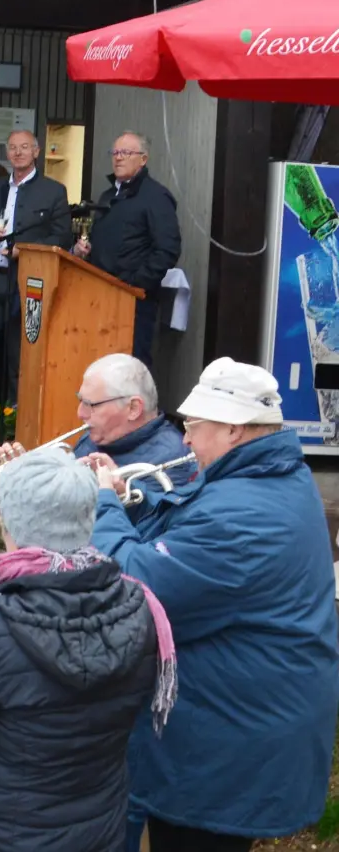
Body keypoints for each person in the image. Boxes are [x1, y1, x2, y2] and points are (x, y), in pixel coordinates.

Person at [90, 358, 339, 852]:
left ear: (231, 429)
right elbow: (192, 522)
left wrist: (104, 506)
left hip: (224, 747)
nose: (184, 439)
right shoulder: (277, 477)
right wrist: (134, 500)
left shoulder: (243, 514)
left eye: (194, 426)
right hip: (237, 721)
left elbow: (134, 585)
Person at [0, 446, 170, 852]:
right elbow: (66, 617)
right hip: (94, 829)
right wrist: (0, 582)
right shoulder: (140, 606)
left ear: (8, 523)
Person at [0, 130, 72, 403]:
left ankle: (17, 419)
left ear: (37, 152)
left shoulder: (53, 191)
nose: (18, 152)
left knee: (21, 354)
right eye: (13, 148)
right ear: (7, 153)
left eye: (25, 147)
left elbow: (62, 237)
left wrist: (24, 250)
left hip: (30, 281)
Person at [0, 354, 191, 487]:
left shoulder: (172, 460)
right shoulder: (96, 438)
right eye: (81, 401)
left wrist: (115, 492)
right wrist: (18, 484)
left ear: (133, 408)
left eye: (91, 404)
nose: (80, 413)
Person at [74, 132, 182, 367]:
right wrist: (86, 248)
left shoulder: (156, 196)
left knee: (132, 367)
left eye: (126, 153)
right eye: (115, 152)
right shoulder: (106, 196)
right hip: (99, 296)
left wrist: (136, 283)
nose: (118, 158)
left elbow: (168, 249)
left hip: (134, 300)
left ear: (143, 159)